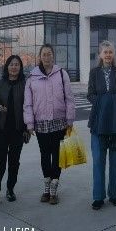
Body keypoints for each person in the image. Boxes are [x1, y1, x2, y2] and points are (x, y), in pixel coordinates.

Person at [24, 44, 75, 205]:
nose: (47, 57)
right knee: (45, 154)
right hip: (41, 123)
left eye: (49, 54)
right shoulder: (32, 77)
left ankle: (54, 188)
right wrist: (29, 123)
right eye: (44, 54)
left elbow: (69, 98)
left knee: (57, 155)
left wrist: (70, 120)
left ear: (53, 56)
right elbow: (28, 103)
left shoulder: (61, 73)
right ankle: (46, 186)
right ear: (40, 57)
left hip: (59, 122)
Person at [87, 40, 116, 210]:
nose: (108, 55)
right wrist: (103, 103)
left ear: (114, 54)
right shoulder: (94, 72)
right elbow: (90, 94)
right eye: (105, 52)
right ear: (100, 54)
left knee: (115, 160)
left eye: (110, 52)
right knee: (98, 160)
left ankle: (114, 195)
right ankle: (98, 197)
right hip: (98, 121)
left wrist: (108, 101)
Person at [0, 55, 30, 208]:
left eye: (17, 64)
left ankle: (10, 189)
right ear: (7, 67)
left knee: (14, 163)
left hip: (18, 130)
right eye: (11, 64)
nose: (14, 67)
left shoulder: (25, 84)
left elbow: (29, 107)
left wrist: (27, 128)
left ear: (20, 67)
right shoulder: (1, 83)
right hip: (1, 130)